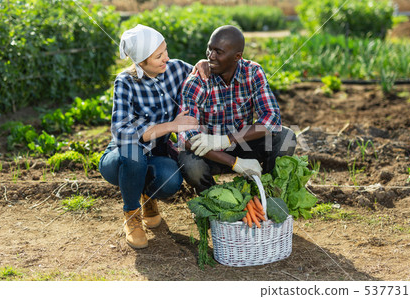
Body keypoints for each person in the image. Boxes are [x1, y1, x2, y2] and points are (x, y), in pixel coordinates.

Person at [99, 24, 208, 250]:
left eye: (165, 50)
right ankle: (131, 215)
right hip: (121, 155)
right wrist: (171, 125)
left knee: (171, 181)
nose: (166, 58)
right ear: (141, 63)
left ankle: (148, 199)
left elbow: (203, 75)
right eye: (159, 56)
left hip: (156, 152)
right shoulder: (125, 81)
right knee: (133, 153)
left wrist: (203, 64)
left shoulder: (176, 69)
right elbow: (121, 131)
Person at [178, 25, 297, 193]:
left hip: (243, 143)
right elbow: (186, 137)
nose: (211, 56)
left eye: (218, 52)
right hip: (210, 150)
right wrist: (235, 163)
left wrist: (227, 140)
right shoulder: (197, 81)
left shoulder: (252, 72)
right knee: (190, 164)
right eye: (209, 49)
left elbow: (272, 118)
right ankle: (212, 198)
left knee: (286, 137)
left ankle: (268, 191)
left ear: (237, 57)